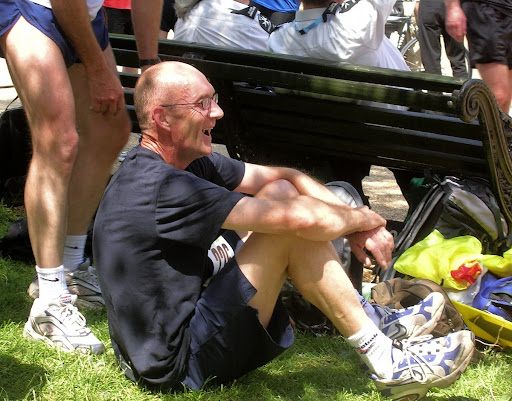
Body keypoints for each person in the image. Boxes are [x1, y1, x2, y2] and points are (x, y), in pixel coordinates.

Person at [93, 61, 475, 399]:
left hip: (175, 329)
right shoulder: (163, 187)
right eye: (202, 104)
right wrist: (365, 220)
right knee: (288, 230)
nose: (218, 112)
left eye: (213, 99)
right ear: (162, 118)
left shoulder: (183, 164)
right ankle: (386, 360)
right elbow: (300, 222)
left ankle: (367, 317)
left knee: (278, 194)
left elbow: (283, 177)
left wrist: (352, 222)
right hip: (178, 365)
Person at [0, 0, 132, 353]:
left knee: (111, 132)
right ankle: (49, 300)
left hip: (85, 14)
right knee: (57, 141)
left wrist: (149, 60)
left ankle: (73, 270)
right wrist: (99, 70)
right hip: (32, 6)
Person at [445, 0, 512, 112]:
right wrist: (453, 7)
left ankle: (500, 129)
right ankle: (486, 128)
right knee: (499, 96)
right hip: (482, 8)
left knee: (506, 95)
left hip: (508, 9)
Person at [173, 0, 273, 50]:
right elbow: (276, 55)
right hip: (235, 89)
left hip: (188, 86)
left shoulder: (184, 17)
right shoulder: (249, 21)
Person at [416, 0, 468, 78]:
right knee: (458, 61)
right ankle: (462, 88)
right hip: (453, 6)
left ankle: (434, 89)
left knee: (431, 62)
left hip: (429, 5)